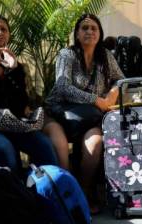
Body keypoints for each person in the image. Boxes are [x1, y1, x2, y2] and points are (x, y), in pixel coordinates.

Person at [43, 13, 124, 213]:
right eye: (84, 28)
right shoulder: (67, 54)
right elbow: (62, 86)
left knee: (95, 144)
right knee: (61, 148)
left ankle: (84, 191)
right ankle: (66, 196)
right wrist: (97, 100)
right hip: (58, 114)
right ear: (77, 34)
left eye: (93, 28)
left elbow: (121, 80)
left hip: (89, 118)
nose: (89, 31)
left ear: (99, 34)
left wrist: (113, 94)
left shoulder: (105, 56)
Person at [0, 14, 59, 173]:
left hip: (9, 122)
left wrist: (12, 70)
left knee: (43, 145)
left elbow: (20, 104)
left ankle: (49, 192)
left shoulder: (15, 66)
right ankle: (12, 195)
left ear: (8, 35)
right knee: (4, 147)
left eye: (3, 30)